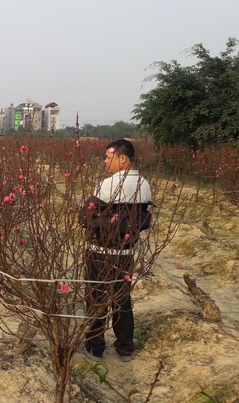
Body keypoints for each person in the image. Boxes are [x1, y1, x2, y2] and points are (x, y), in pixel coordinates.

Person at [79, 139, 152, 363]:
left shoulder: (108, 185)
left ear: (123, 158)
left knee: (96, 298)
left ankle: (95, 347)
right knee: (122, 300)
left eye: (108, 157)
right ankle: (125, 349)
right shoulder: (145, 184)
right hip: (125, 254)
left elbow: (87, 216)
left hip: (100, 251)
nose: (105, 161)